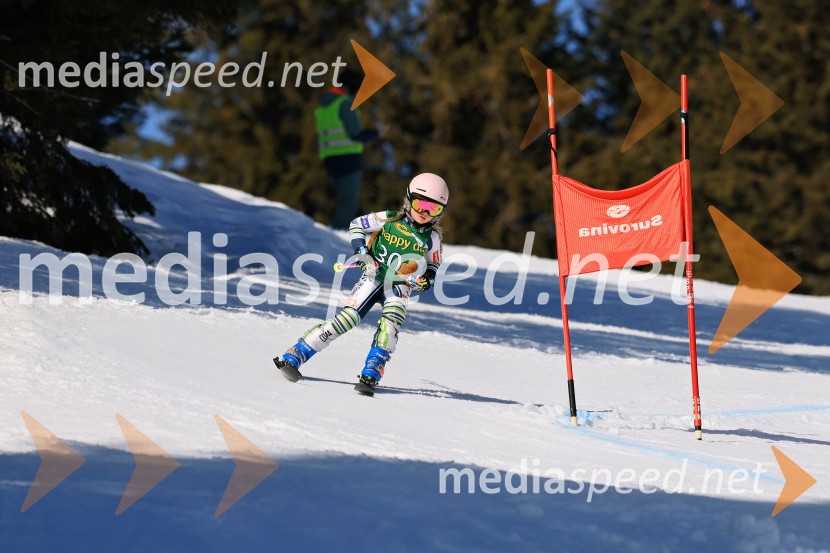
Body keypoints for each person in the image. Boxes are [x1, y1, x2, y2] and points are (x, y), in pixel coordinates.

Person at [274, 173, 450, 396]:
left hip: (399, 285)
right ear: (408, 199)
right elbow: (357, 225)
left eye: (433, 209)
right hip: (373, 277)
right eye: (421, 204)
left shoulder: (432, 238)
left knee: (391, 324)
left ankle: (373, 370)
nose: (425, 213)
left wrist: (427, 280)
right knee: (348, 319)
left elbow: (433, 263)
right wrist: (362, 253)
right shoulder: (389, 219)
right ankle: (297, 353)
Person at [314, 70, 379, 229]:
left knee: (341, 200)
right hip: (348, 157)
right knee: (348, 202)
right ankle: (338, 235)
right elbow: (355, 134)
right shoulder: (345, 103)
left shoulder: (323, 107)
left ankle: (334, 231)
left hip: (329, 158)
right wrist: (377, 133)